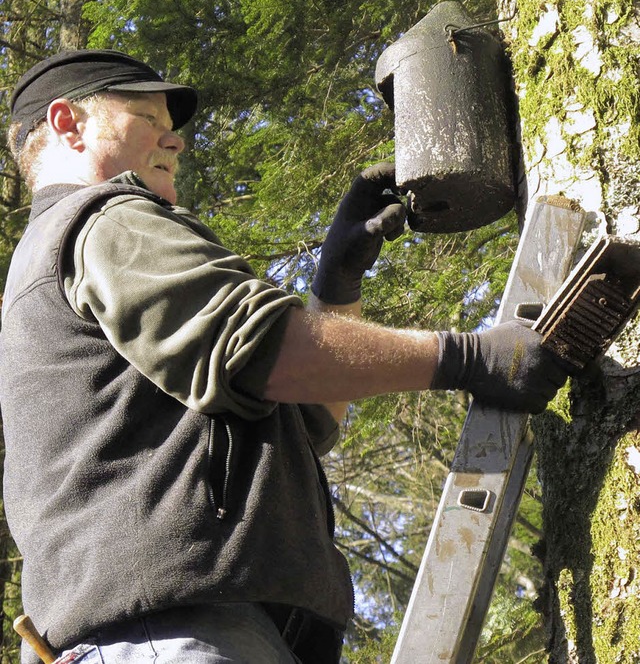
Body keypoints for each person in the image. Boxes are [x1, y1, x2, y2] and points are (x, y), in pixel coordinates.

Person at [0, 49, 567, 664]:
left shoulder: (53, 261)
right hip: (170, 638)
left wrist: (336, 288)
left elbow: (301, 422)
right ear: (67, 124)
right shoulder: (103, 221)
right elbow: (260, 351)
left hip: (185, 634)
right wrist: (468, 357)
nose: (176, 141)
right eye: (146, 117)